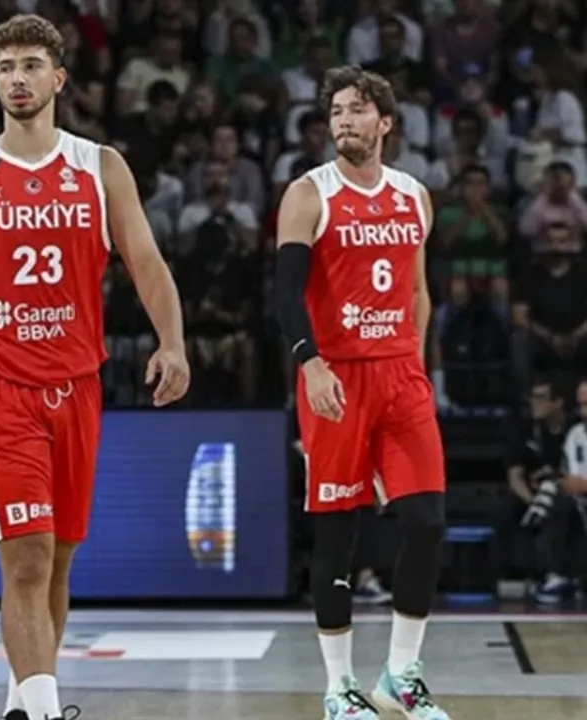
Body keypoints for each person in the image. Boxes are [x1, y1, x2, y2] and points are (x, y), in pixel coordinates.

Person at [0, 15, 190, 720]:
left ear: (59, 78)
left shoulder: (100, 166)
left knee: (57, 562)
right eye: (5, 68)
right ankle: (47, 713)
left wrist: (171, 342)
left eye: (29, 66)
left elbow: (146, 263)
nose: (16, 79)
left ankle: (21, 703)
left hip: (76, 386)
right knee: (25, 556)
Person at [274, 65, 451, 720]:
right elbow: (285, 293)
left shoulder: (413, 196)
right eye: (336, 112)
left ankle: (400, 677)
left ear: (385, 122)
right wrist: (311, 363)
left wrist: (416, 359)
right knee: (337, 534)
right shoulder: (308, 194)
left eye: (356, 109)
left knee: (427, 523)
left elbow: (419, 290)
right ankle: (339, 686)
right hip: (336, 377)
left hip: (401, 375)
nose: (344, 121)